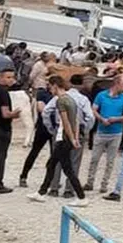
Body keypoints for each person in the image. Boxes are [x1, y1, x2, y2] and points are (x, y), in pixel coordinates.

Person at [28, 76, 89, 207]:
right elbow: (77, 120)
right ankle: (41, 192)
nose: (49, 89)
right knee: (51, 164)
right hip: (67, 137)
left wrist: (72, 138)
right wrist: (76, 137)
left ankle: (81, 196)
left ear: (55, 85)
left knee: (67, 168)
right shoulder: (71, 99)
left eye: (50, 86)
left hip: (64, 138)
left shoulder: (60, 101)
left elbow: (66, 122)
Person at [86, 74, 123, 192]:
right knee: (94, 158)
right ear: (116, 83)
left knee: (110, 161)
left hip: (116, 133)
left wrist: (116, 119)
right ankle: (90, 182)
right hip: (102, 131)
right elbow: (94, 109)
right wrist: (101, 119)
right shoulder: (101, 95)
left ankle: (104, 185)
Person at [0, 66, 21, 194]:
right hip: (2, 129)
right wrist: (15, 114)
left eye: (12, 77)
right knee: (1, 157)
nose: (11, 80)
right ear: (0, 77)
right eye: (8, 77)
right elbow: (5, 114)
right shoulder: (3, 93)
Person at [20, 85, 56, 188]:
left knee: (54, 155)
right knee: (34, 152)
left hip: (54, 127)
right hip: (43, 128)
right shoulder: (42, 93)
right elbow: (41, 109)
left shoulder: (59, 95)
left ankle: (50, 178)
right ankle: (23, 176)